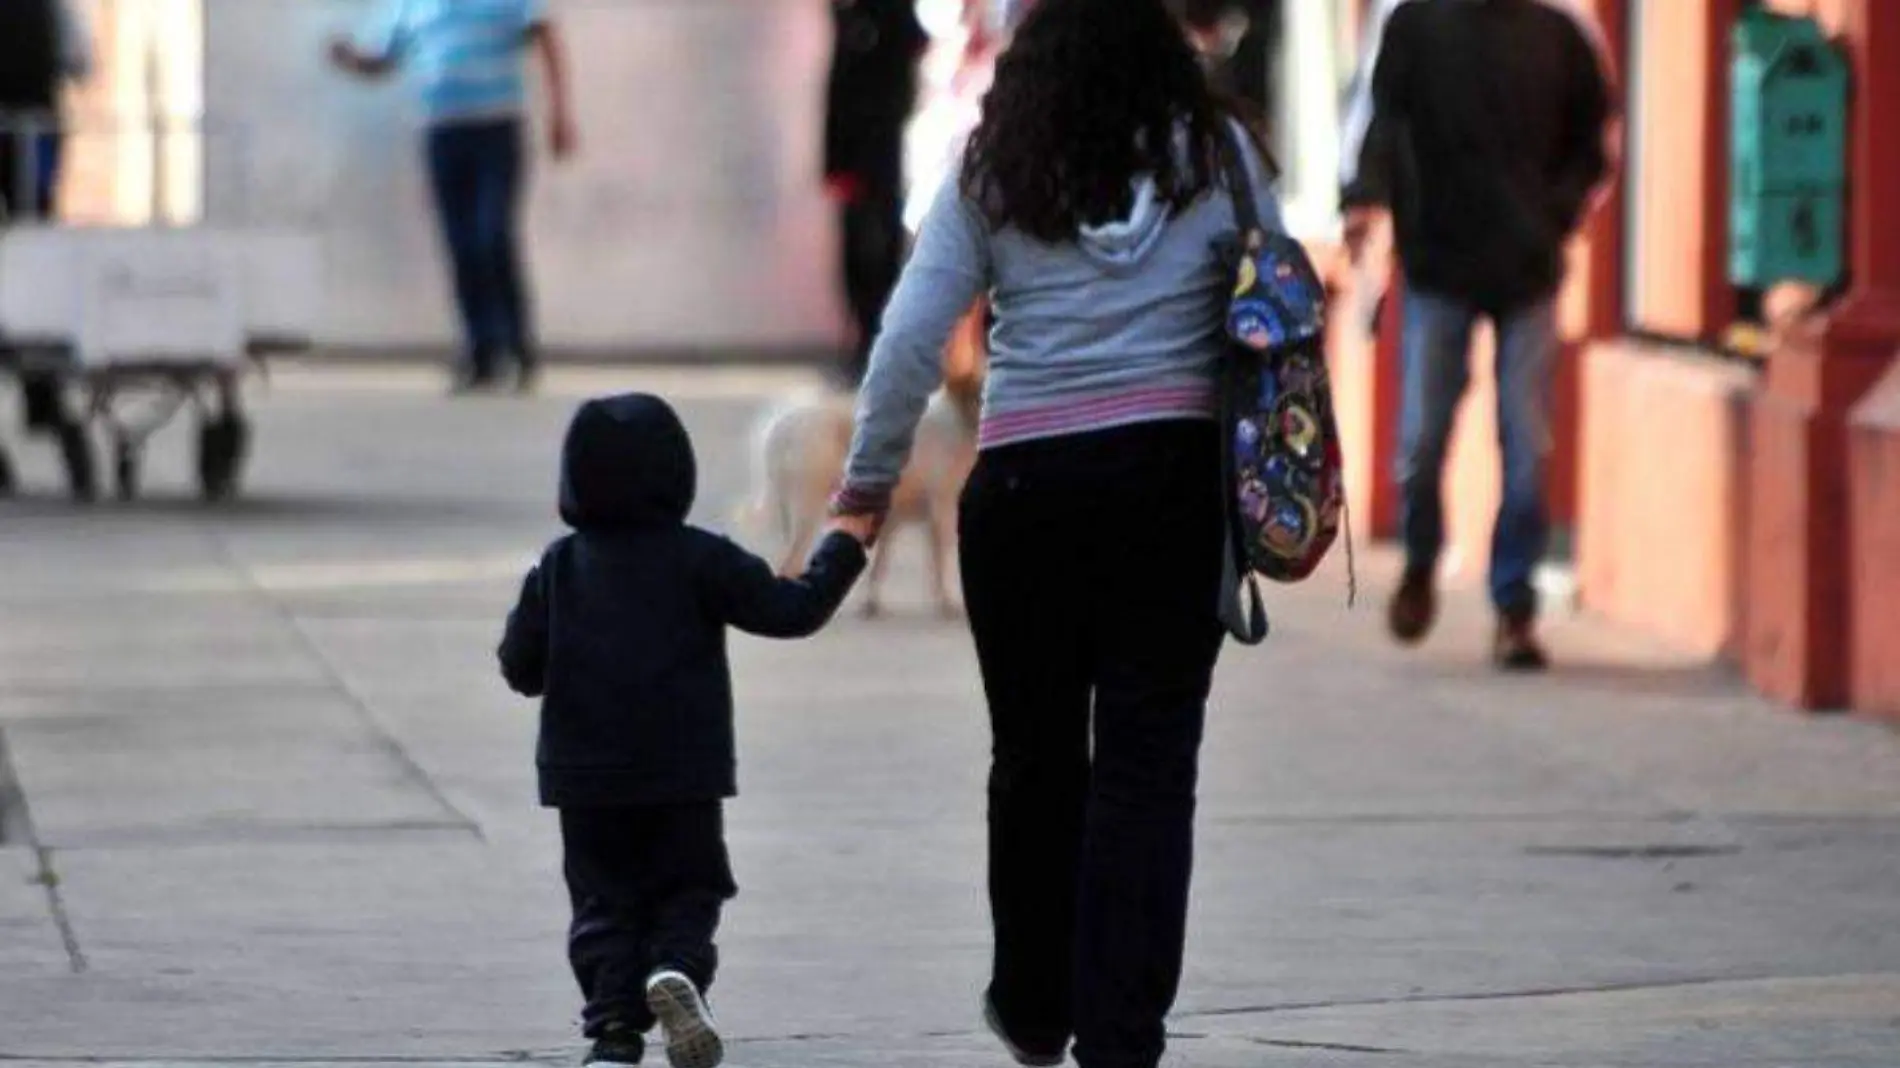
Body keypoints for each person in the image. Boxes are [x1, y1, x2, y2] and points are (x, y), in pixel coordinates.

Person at [828, 1, 1282, 1065]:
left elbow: (905, 336)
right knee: (1147, 770)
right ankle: (1122, 1037)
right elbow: (1280, 296)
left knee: (1032, 760)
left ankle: (1035, 1008)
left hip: (1027, 493)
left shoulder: (997, 163)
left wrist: (865, 485)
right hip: (1172, 492)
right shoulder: (1218, 152)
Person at [498, 393, 866, 1068]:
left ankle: (613, 1034)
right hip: (681, 771)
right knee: (689, 887)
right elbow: (793, 610)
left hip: (585, 777)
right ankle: (676, 970)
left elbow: (519, 667)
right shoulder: (701, 558)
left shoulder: (558, 566)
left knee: (603, 902)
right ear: (677, 472)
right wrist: (845, 542)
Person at [1340, 0, 1612, 671]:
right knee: (1422, 439)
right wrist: (1362, 199)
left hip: (1528, 269)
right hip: (1438, 263)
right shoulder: (1415, 25)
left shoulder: (1560, 36)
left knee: (1526, 443)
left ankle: (1514, 607)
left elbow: (1591, 145)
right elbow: (1380, 120)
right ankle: (1422, 558)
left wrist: (1554, 214)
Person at [328, 0, 577, 394]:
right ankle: (480, 350)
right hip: (443, 131)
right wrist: (350, 59)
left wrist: (560, 113)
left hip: (495, 127)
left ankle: (517, 343)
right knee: (460, 242)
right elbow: (384, 58)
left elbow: (545, 37)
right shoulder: (413, 6)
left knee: (491, 233)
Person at [0, 0, 95, 499]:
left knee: (30, 259)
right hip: (35, 132)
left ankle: (43, 397)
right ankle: (44, 400)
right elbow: (81, 64)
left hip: (31, 138)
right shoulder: (52, 10)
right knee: (34, 258)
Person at [823, 0, 928, 387]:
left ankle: (880, 341)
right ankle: (866, 339)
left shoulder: (888, 14)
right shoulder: (849, 14)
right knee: (856, 247)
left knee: (878, 246)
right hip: (853, 148)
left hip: (880, 149)